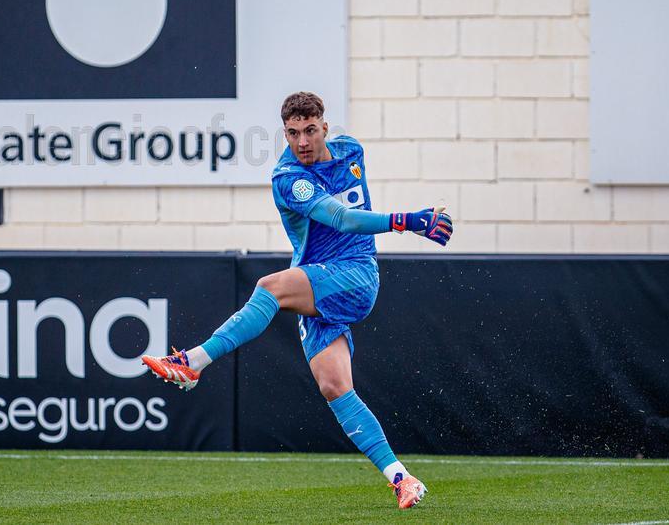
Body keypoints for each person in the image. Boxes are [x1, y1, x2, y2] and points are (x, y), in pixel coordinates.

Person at [142, 91, 453, 510]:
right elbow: (339, 217)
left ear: (325, 126)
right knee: (335, 387)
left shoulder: (352, 152)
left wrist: (403, 223)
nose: (302, 141)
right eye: (293, 133)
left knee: (270, 287)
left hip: (355, 276)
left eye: (310, 130)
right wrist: (408, 221)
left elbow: (350, 224)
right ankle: (402, 478)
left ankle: (193, 362)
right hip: (320, 283)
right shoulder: (289, 178)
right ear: (284, 134)